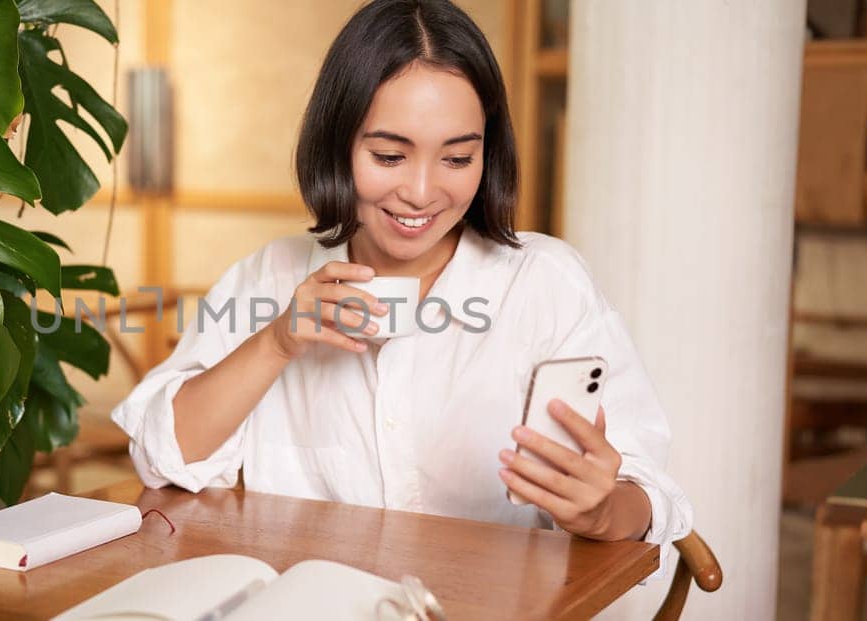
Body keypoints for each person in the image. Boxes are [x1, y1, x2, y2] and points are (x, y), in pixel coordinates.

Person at [110, 0, 692, 571]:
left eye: (458, 159)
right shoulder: (272, 275)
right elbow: (164, 459)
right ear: (337, 143)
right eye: (389, 156)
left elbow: (647, 493)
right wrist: (277, 342)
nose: (420, 192)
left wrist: (598, 511)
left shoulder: (544, 283)